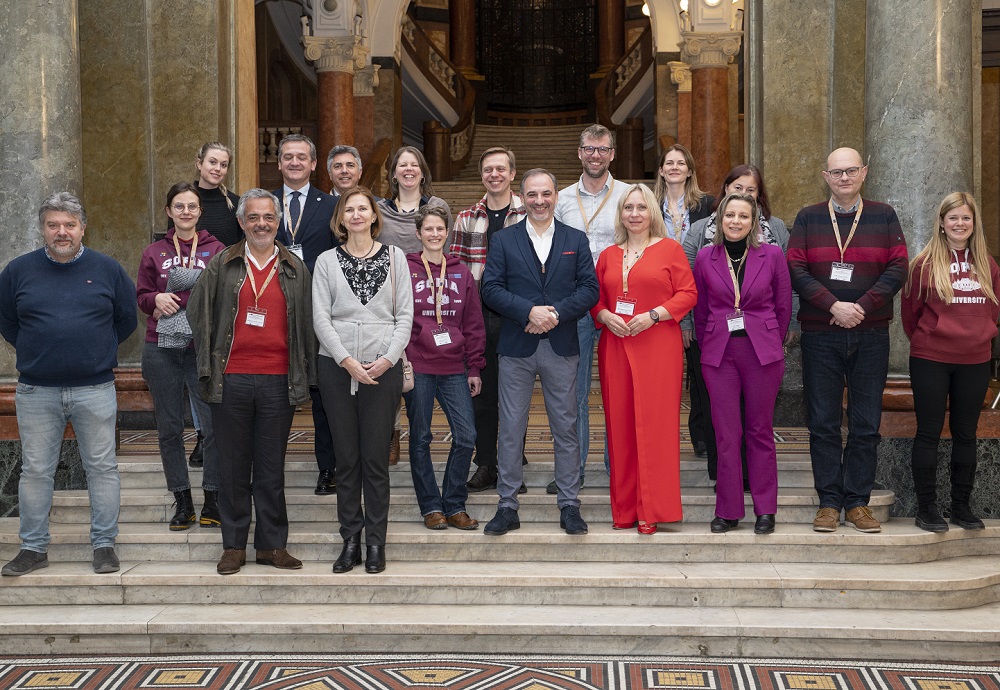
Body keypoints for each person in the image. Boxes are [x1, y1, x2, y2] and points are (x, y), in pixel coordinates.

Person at [0, 192, 137, 576]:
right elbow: (7, 320)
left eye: (69, 225)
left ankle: (104, 545)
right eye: (53, 224)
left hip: (94, 388)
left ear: (83, 228)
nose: (62, 232)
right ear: (42, 228)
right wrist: (37, 346)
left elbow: (126, 319)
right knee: (35, 471)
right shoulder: (17, 271)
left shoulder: (107, 269)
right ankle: (33, 548)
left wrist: (97, 348)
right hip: (36, 391)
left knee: (102, 468)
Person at [188, 188, 315, 575]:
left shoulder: (295, 266)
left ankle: (272, 546)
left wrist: (306, 374)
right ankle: (234, 546)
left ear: (278, 223)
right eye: (253, 217)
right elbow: (198, 313)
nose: (262, 224)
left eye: (269, 218)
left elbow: (309, 322)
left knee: (271, 468)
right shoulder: (222, 264)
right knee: (232, 466)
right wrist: (210, 364)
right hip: (231, 380)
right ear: (241, 222)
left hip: (279, 380)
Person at [787, 147, 908, 534]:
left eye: (850, 171)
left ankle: (857, 502)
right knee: (822, 422)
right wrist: (833, 305)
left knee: (865, 422)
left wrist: (861, 305)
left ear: (863, 173)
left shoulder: (884, 215)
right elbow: (796, 268)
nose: (843, 178)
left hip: (870, 333)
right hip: (821, 334)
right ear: (826, 176)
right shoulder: (808, 217)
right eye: (836, 172)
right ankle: (827, 502)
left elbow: (898, 267)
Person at [480, 169, 599, 537]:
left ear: (555, 196)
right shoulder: (503, 240)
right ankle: (507, 505)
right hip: (516, 346)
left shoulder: (575, 240)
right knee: (512, 429)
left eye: (546, 193)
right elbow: (491, 288)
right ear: (522, 196)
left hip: (561, 346)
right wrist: (527, 312)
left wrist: (555, 314)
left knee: (565, 427)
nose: (540, 201)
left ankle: (569, 505)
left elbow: (590, 289)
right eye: (532, 194)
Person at [313, 186, 413, 574]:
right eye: (349, 209)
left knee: (375, 459)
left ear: (374, 216)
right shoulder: (325, 261)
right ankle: (350, 540)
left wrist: (387, 358)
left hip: (382, 368)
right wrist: (346, 360)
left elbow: (404, 315)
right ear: (340, 219)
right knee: (347, 459)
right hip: (337, 369)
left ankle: (376, 543)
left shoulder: (396, 257)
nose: (356, 215)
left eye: (363, 209)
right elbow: (320, 317)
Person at [591, 184, 696, 534]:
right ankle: (624, 510)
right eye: (628, 208)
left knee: (655, 428)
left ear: (652, 212)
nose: (634, 214)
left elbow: (688, 293)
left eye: (641, 207)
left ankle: (651, 510)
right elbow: (596, 298)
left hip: (657, 345)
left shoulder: (670, 249)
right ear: (620, 214)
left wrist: (654, 315)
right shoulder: (607, 254)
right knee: (619, 426)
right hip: (616, 345)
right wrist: (604, 316)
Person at [681, 164, 793, 484]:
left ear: (755, 212)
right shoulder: (704, 250)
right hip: (719, 349)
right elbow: (698, 302)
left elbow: (783, 303)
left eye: (745, 212)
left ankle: (762, 504)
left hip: (761, 349)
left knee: (758, 429)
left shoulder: (772, 250)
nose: (736, 219)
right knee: (725, 430)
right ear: (724, 198)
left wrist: (771, 337)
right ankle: (727, 500)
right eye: (731, 213)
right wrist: (707, 338)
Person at [901, 192, 999, 532]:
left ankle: (961, 507)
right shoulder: (923, 264)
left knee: (966, 434)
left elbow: (994, 312)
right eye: (953, 218)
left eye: (966, 218)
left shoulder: (987, 264)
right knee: (928, 433)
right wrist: (936, 338)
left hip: (975, 360)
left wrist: (978, 334)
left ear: (974, 224)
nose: (960, 224)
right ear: (942, 223)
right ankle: (927, 508)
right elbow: (910, 315)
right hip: (932, 358)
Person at [136, 182, 226, 531]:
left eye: (192, 206)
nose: (186, 212)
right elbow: (142, 295)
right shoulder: (154, 251)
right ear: (169, 211)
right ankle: (182, 499)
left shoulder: (216, 249)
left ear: (200, 211)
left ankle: (213, 498)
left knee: (212, 426)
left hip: (200, 349)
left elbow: (225, 294)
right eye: (179, 206)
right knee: (169, 428)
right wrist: (154, 300)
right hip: (161, 347)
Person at [552, 124, 628, 493]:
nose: (595, 155)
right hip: (577, 306)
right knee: (573, 393)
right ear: (579, 153)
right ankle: (574, 469)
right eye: (589, 149)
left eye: (602, 149)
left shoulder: (631, 195)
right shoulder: (561, 199)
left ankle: (619, 466)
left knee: (620, 390)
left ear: (613, 153)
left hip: (622, 307)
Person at [449, 146, 528, 492]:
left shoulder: (529, 214)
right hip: (479, 317)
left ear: (513, 174)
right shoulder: (466, 217)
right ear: (481, 175)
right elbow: (455, 270)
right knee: (481, 393)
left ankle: (512, 466)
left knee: (516, 395)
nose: (494, 175)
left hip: (519, 316)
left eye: (501, 169)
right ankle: (485, 464)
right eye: (487, 170)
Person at [404, 204, 485, 530]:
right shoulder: (406, 269)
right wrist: (405, 358)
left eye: (440, 229)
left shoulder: (461, 272)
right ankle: (430, 507)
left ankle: (454, 504)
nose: (435, 234)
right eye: (428, 229)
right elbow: (398, 317)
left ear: (447, 233)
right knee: (421, 437)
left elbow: (473, 322)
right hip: (420, 365)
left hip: (454, 366)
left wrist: (475, 367)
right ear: (419, 233)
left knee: (466, 436)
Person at [272, 133, 339, 498]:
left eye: (302, 157)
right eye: (288, 157)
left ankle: (327, 468)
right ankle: (268, 470)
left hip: (319, 310)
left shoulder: (330, 205)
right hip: (272, 310)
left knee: (323, 392)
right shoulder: (264, 205)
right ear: (279, 163)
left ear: (314, 164)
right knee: (272, 393)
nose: (295, 162)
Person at [377, 146, 452, 462]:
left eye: (414, 164)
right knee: (390, 367)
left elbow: (443, 251)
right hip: (387, 301)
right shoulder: (378, 209)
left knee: (419, 371)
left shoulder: (438, 206)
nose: (408, 169)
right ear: (393, 173)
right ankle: (390, 433)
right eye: (401, 165)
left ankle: (419, 437)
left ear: (423, 171)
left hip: (427, 298)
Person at [653, 144, 716, 463]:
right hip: (657, 294)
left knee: (700, 368)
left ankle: (702, 435)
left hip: (700, 292)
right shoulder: (648, 205)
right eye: (669, 163)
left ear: (690, 170)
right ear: (661, 171)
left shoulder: (707, 204)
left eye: (681, 163)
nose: (675, 167)